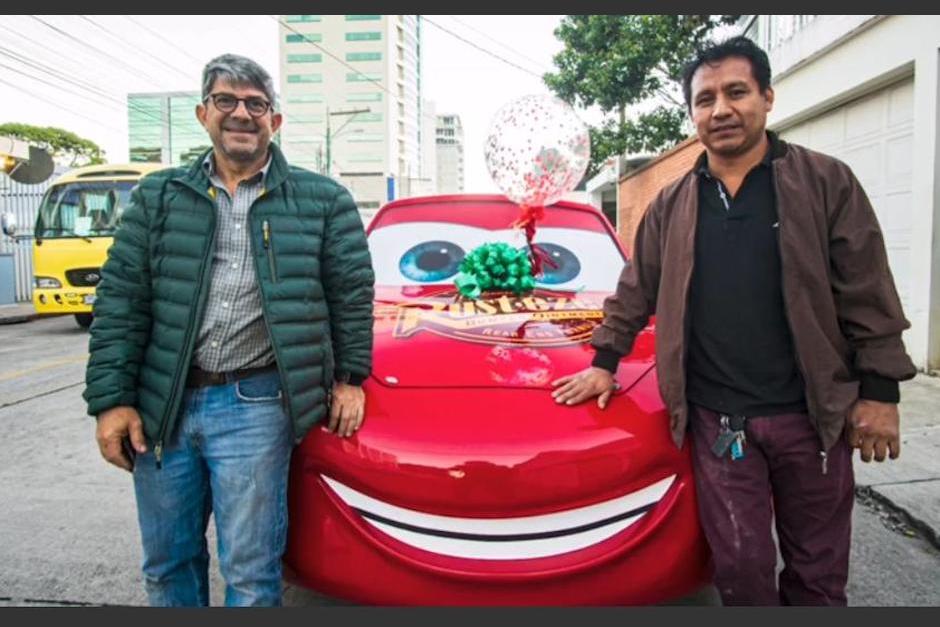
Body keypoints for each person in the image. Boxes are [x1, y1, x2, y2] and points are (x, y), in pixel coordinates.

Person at [550, 36, 916, 606]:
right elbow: (634, 291)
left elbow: (867, 290)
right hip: (722, 426)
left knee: (818, 575)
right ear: (693, 113)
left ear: (767, 98)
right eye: (705, 99)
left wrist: (880, 392)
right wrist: (603, 362)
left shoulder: (825, 183)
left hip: (812, 418)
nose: (720, 109)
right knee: (741, 572)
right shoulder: (670, 205)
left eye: (736, 92)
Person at [83, 53, 375, 606]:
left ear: (275, 121)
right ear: (203, 113)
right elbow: (121, 300)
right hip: (162, 407)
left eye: (256, 104)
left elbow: (351, 295)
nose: (242, 113)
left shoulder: (323, 200)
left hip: (257, 405)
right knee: (168, 565)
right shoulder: (158, 196)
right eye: (227, 100)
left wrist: (350, 377)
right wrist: (112, 401)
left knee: (250, 572)